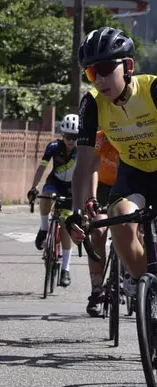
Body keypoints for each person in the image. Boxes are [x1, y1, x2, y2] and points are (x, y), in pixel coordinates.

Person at [67, 27, 155, 296]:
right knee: (119, 218)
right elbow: (84, 165)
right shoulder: (92, 104)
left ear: (128, 66)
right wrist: (76, 213)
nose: (100, 79)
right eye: (92, 73)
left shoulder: (152, 89)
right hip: (134, 173)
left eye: (105, 69)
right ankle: (148, 289)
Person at [26, 113, 79, 287]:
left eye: (75, 137)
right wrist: (33, 187)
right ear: (62, 134)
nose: (70, 140)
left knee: (65, 224)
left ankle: (65, 269)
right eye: (67, 136)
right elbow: (42, 168)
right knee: (45, 196)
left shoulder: (81, 150)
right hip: (54, 182)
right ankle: (43, 229)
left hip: (72, 187)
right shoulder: (54, 147)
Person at [84, 129, 120, 316]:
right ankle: (97, 289)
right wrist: (92, 197)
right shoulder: (101, 136)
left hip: (129, 184)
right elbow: (93, 166)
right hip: (104, 187)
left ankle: (133, 276)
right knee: (97, 231)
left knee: (138, 226)